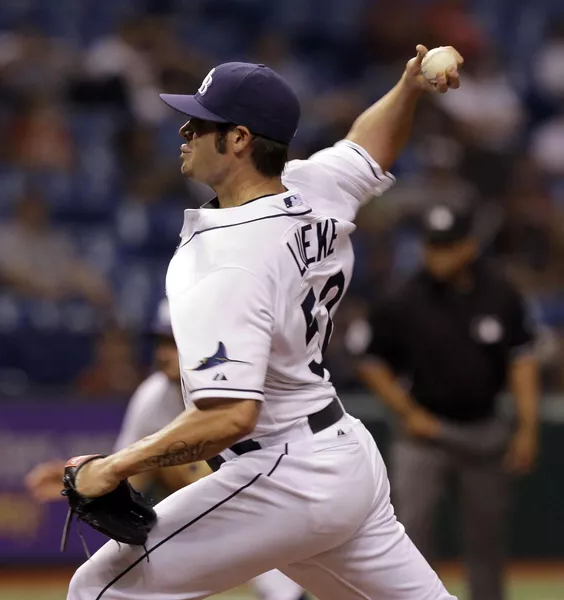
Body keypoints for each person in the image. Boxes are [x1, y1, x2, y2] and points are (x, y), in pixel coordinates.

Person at [29, 45, 464, 600]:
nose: (184, 131)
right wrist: (407, 91)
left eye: (200, 123)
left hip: (283, 471)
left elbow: (232, 415)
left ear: (237, 140)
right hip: (342, 455)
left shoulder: (227, 259)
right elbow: (367, 148)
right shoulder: (311, 188)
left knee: (98, 590)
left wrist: (115, 466)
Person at [28, 299, 308, 600]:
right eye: (160, 342)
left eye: (174, 342)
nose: (163, 353)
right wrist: (87, 476)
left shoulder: (243, 383)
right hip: (236, 512)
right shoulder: (153, 397)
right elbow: (131, 475)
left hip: (291, 492)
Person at [355, 201, 539, 600]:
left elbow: (522, 360)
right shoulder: (403, 298)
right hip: (424, 435)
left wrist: (527, 427)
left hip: (484, 432)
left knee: (486, 542)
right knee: (410, 537)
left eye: (447, 245)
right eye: (432, 244)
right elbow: (371, 362)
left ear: (469, 247)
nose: (436, 254)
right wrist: (407, 411)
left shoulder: (500, 292)